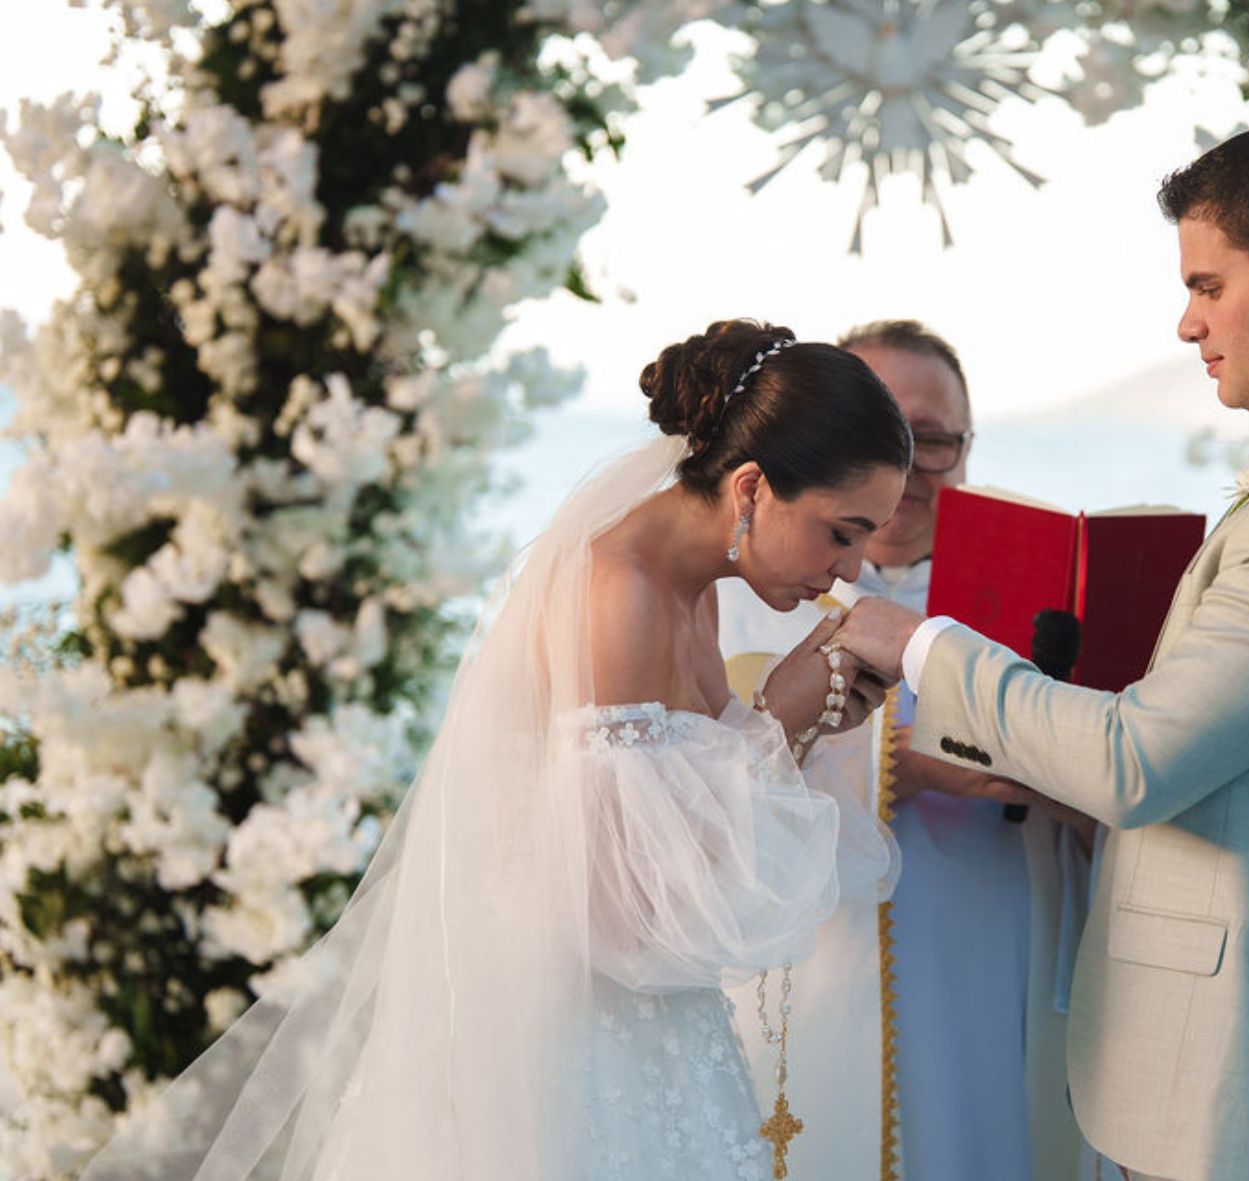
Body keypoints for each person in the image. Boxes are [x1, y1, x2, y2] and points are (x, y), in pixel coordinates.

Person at [79, 319, 912, 1181]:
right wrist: (777, 716)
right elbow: (620, 912)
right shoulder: (616, 590)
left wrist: (807, 721)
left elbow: (678, 832)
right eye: (841, 531)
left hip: (650, 1034)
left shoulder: (691, 586)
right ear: (750, 488)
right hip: (566, 1049)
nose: (847, 570)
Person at [835, 120, 1249, 1181]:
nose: (1186, 323)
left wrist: (921, 643)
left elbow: (1133, 762)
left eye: (1206, 284)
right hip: (1245, 1059)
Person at [716, 320, 1090, 1180]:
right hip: (822, 952)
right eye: (895, 438)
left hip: (997, 936)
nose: (918, 467)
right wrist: (908, 765)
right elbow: (714, 780)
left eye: (941, 441)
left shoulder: (1039, 585)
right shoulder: (751, 592)